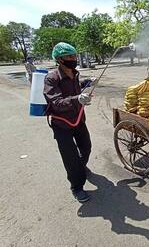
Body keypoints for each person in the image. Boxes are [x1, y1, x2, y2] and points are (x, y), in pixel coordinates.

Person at [44, 42, 94, 203]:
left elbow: (75, 88)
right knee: (70, 157)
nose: (74, 59)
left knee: (86, 147)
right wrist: (77, 99)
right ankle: (77, 187)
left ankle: (81, 167)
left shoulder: (75, 73)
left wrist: (86, 82)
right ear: (60, 59)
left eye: (74, 55)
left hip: (78, 119)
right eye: (69, 56)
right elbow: (56, 102)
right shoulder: (52, 78)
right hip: (62, 124)